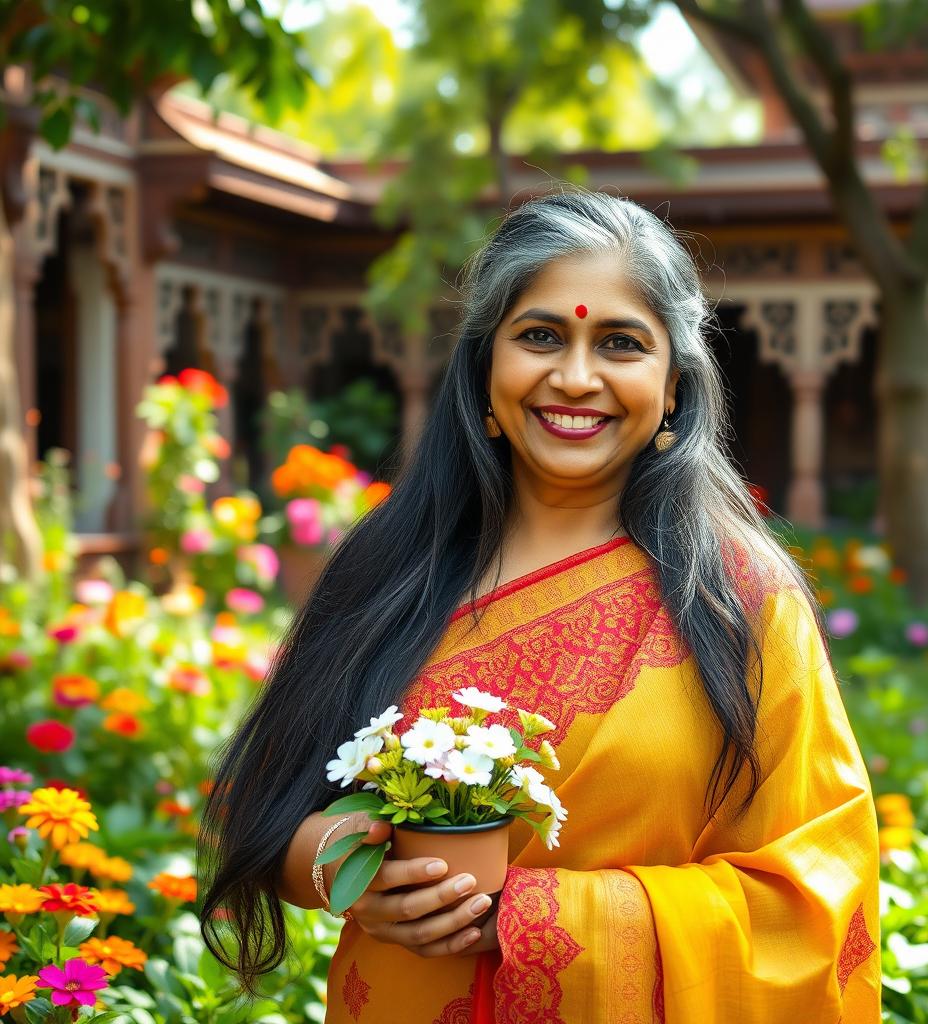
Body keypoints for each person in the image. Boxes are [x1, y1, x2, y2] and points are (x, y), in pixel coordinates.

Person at [198, 189, 882, 1023]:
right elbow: (264, 812)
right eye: (541, 336)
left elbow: (818, 896)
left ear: (673, 388)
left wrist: (530, 921)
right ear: (487, 367)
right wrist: (354, 871)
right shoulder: (394, 566)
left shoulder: (739, 599)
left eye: (621, 343)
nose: (576, 376)